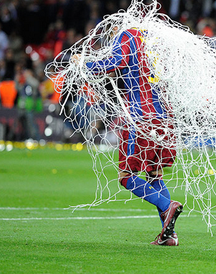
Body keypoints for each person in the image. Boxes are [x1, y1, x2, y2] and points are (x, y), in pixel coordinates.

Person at [72, 22, 183, 246]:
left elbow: (112, 63)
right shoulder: (154, 40)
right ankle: (168, 235)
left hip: (140, 116)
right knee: (154, 174)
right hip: (166, 119)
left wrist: (83, 63)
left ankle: (166, 206)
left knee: (126, 177)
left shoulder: (127, 36)